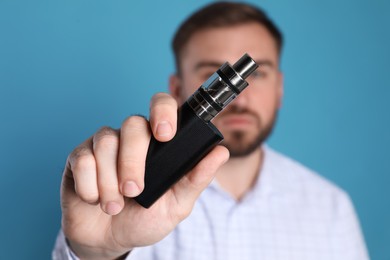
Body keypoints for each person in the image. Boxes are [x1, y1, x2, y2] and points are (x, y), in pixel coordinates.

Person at [53, 2, 369, 259]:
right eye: (211, 73)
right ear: (177, 90)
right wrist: (97, 254)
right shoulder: (124, 191)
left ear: (280, 88)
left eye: (260, 74)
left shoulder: (331, 207)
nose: (241, 99)